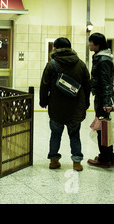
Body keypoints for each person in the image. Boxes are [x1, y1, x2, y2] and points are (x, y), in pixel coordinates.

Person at [40, 37, 91, 171]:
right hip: (75, 107)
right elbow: (87, 85)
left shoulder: (52, 64)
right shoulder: (80, 64)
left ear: (55, 48)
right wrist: (86, 103)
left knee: (55, 134)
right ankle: (77, 162)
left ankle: (53, 161)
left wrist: (43, 101)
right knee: (75, 135)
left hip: (56, 106)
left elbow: (44, 85)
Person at [87, 32, 114, 168]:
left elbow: (105, 83)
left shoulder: (103, 60)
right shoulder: (102, 58)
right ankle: (109, 156)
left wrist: (105, 103)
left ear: (97, 44)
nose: (89, 44)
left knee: (102, 128)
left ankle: (104, 158)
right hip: (102, 97)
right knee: (104, 127)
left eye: (91, 42)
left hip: (102, 98)